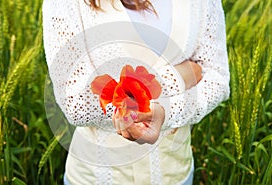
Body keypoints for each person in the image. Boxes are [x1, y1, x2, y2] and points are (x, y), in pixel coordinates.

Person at [43, 0, 230, 184]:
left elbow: (217, 79)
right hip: (95, 177)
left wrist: (166, 112)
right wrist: (178, 77)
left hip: (175, 175)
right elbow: (76, 103)